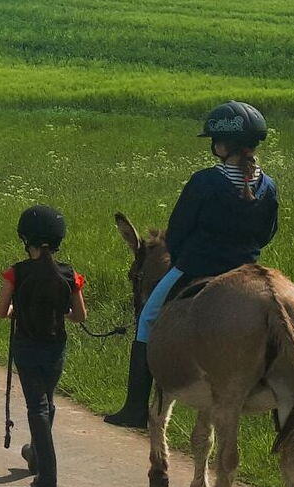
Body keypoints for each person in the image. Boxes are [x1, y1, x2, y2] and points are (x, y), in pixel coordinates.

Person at [106, 100, 280, 428]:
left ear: (222, 145)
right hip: (246, 271)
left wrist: (186, 258)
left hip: (196, 267)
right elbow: (267, 233)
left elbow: (178, 231)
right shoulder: (268, 186)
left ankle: (135, 408)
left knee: (147, 318)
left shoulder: (204, 181)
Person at [0, 204, 88, 487]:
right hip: (55, 347)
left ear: (26, 239)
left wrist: (15, 311)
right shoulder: (70, 274)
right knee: (47, 402)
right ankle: (36, 455)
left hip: (26, 346)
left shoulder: (16, 273)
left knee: (37, 406)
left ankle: (47, 473)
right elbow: (80, 316)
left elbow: (1, 311)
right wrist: (61, 312)